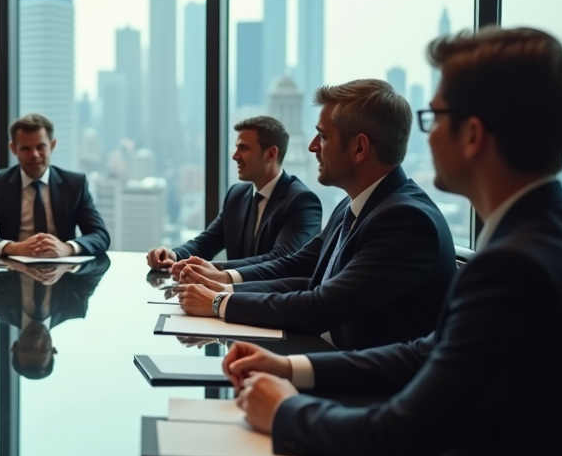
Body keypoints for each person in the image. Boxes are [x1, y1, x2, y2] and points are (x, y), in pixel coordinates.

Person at [224, 28, 562, 456]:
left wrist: (282, 410)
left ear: (472, 135)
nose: (423, 138)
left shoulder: (518, 269)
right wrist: (289, 368)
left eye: (434, 118)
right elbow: (428, 352)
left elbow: (391, 439)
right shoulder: (556, 240)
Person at [175, 79, 455, 351]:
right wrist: (224, 282)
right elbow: (299, 267)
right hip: (327, 356)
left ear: (359, 148)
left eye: (323, 136)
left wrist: (218, 302)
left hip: (363, 377)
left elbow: (321, 306)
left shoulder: (406, 220)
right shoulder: (352, 206)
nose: (312, 146)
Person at [147, 116, 321, 272]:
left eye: (243, 148)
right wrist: (173, 256)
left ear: (271, 153)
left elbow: (279, 260)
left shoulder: (302, 202)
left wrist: (214, 268)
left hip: (276, 297)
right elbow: (206, 243)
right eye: (236, 147)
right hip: (233, 294)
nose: (235, 156)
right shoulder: (237, 195)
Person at [0, 113, 110, 258]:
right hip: (11, 268)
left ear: (52, 146)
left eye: (40, 147)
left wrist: (68, 248)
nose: (34, 154)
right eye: (25, 148)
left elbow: (100, 235)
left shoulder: (75, 184)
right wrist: (14, 247)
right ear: (14, 149)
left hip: (63, 267)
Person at [0, 258, 110, 379]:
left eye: (27, 348)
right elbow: (101, 264)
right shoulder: (74, 306)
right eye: (42, 349)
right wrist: (69, 266)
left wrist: (10, 262)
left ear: (14, 346)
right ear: (53, 349)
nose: (36, 342)